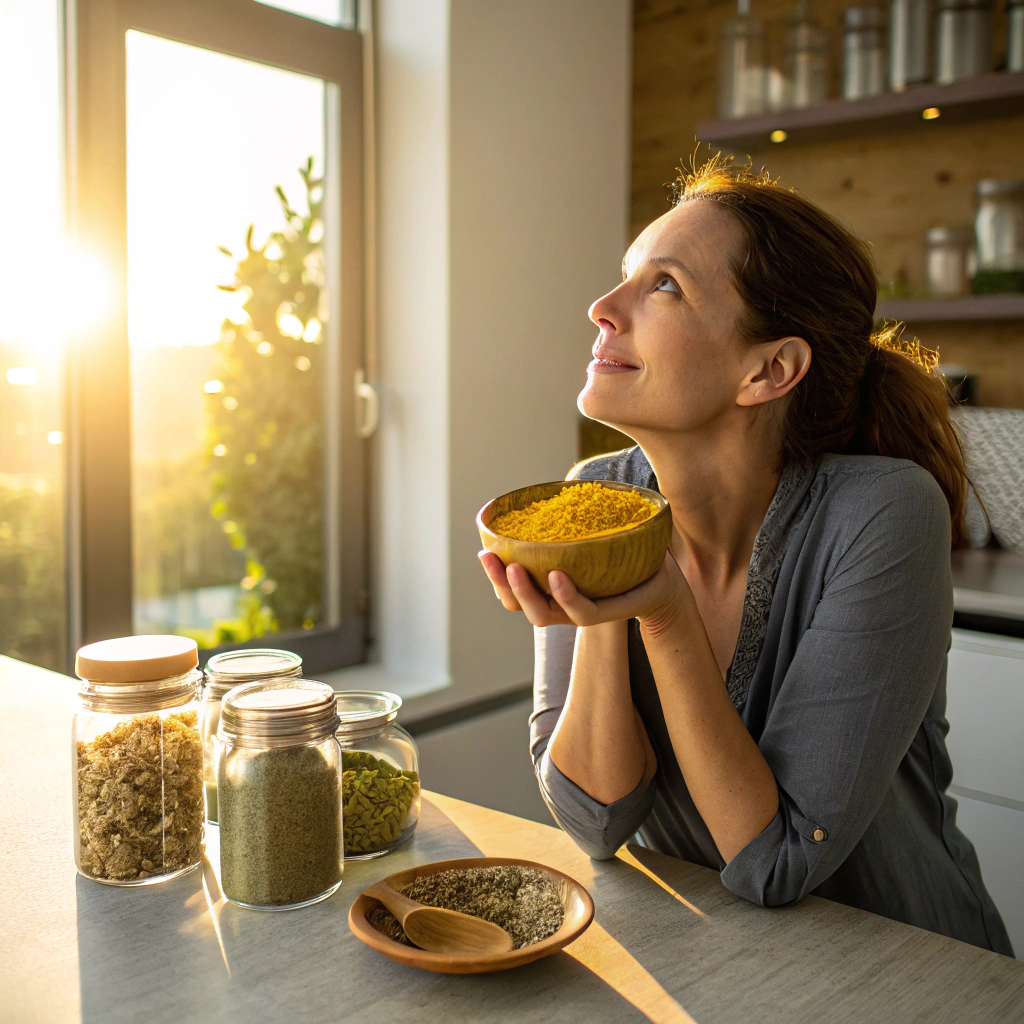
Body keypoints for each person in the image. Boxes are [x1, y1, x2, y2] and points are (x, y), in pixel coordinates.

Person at [478, 158, 1013, 956]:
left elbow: (779, 861)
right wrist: (599, 606)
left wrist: (660, 612)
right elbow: (594, 821)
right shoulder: (593, 496)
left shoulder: (881, 512)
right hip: (722, 968)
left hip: (915, 976)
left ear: (769, 370)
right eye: (626, 277)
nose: (602, 308)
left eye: (663, 286)